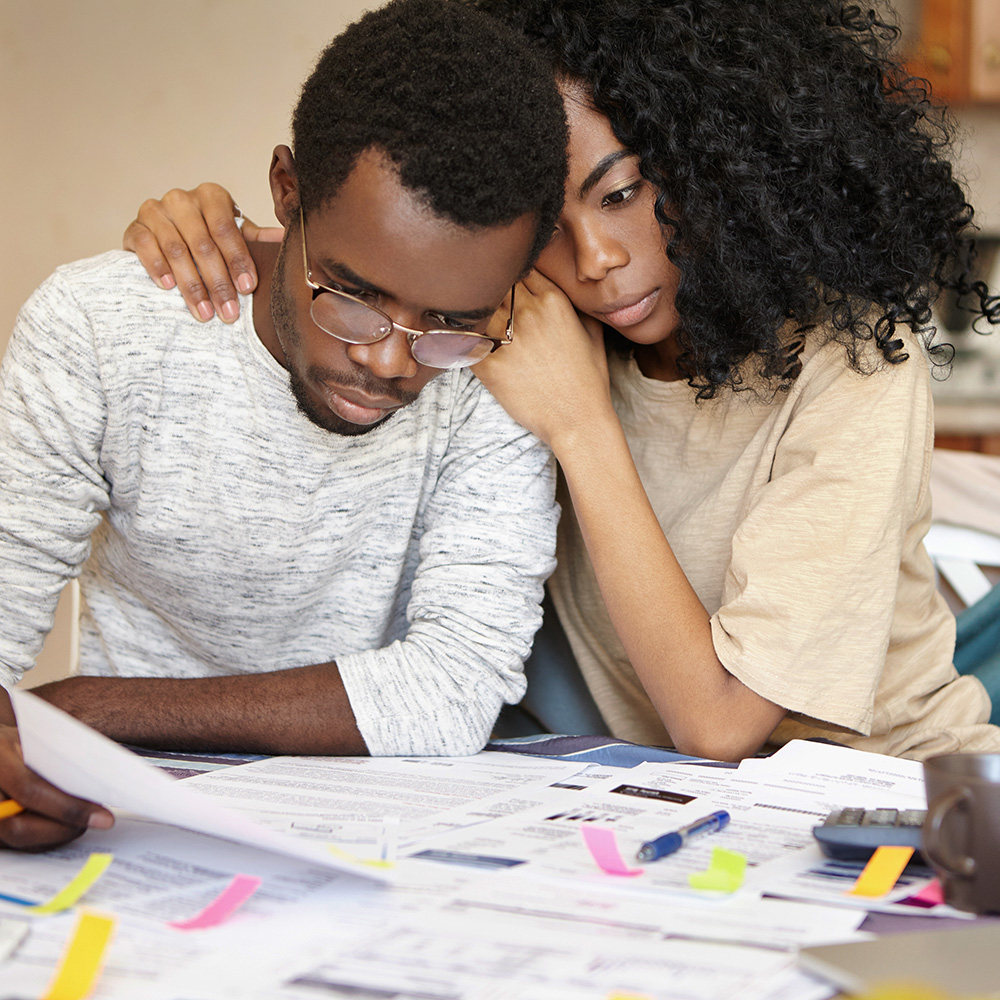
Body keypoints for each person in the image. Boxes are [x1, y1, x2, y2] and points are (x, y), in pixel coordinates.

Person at [126, 0, 1000, 764]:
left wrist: (581, 425)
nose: (596, 258)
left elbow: (720, 724)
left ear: (718, 160)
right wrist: (206, 232)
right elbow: (355, 265)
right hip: (644, 803)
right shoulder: (511, 323)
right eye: (548, 221)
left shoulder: (849, 361)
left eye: (621, 193)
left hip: (896, 803)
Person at [0, 0, 569, 852]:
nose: (391, 362)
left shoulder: (497, 372)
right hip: (126, 819)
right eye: (353, 295)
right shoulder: (98, 327)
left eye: (451, 321)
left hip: (380, 838)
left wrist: (84, 708)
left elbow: (455, 687)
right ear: (287, 191)